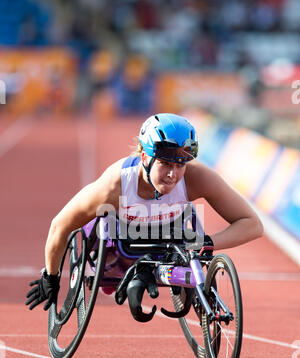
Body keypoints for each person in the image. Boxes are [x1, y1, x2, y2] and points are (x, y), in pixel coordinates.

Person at [25, 113, 263, 311]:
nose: (173, 175)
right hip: (118, 245)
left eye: (181, 164)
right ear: (144, 156)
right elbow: (61, 225)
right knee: (104, 258)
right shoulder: (115, 184)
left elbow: (252, 224)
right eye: (166, 164)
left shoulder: (196, 178)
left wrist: (206, 242)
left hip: (168, 241)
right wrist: (51, 275)